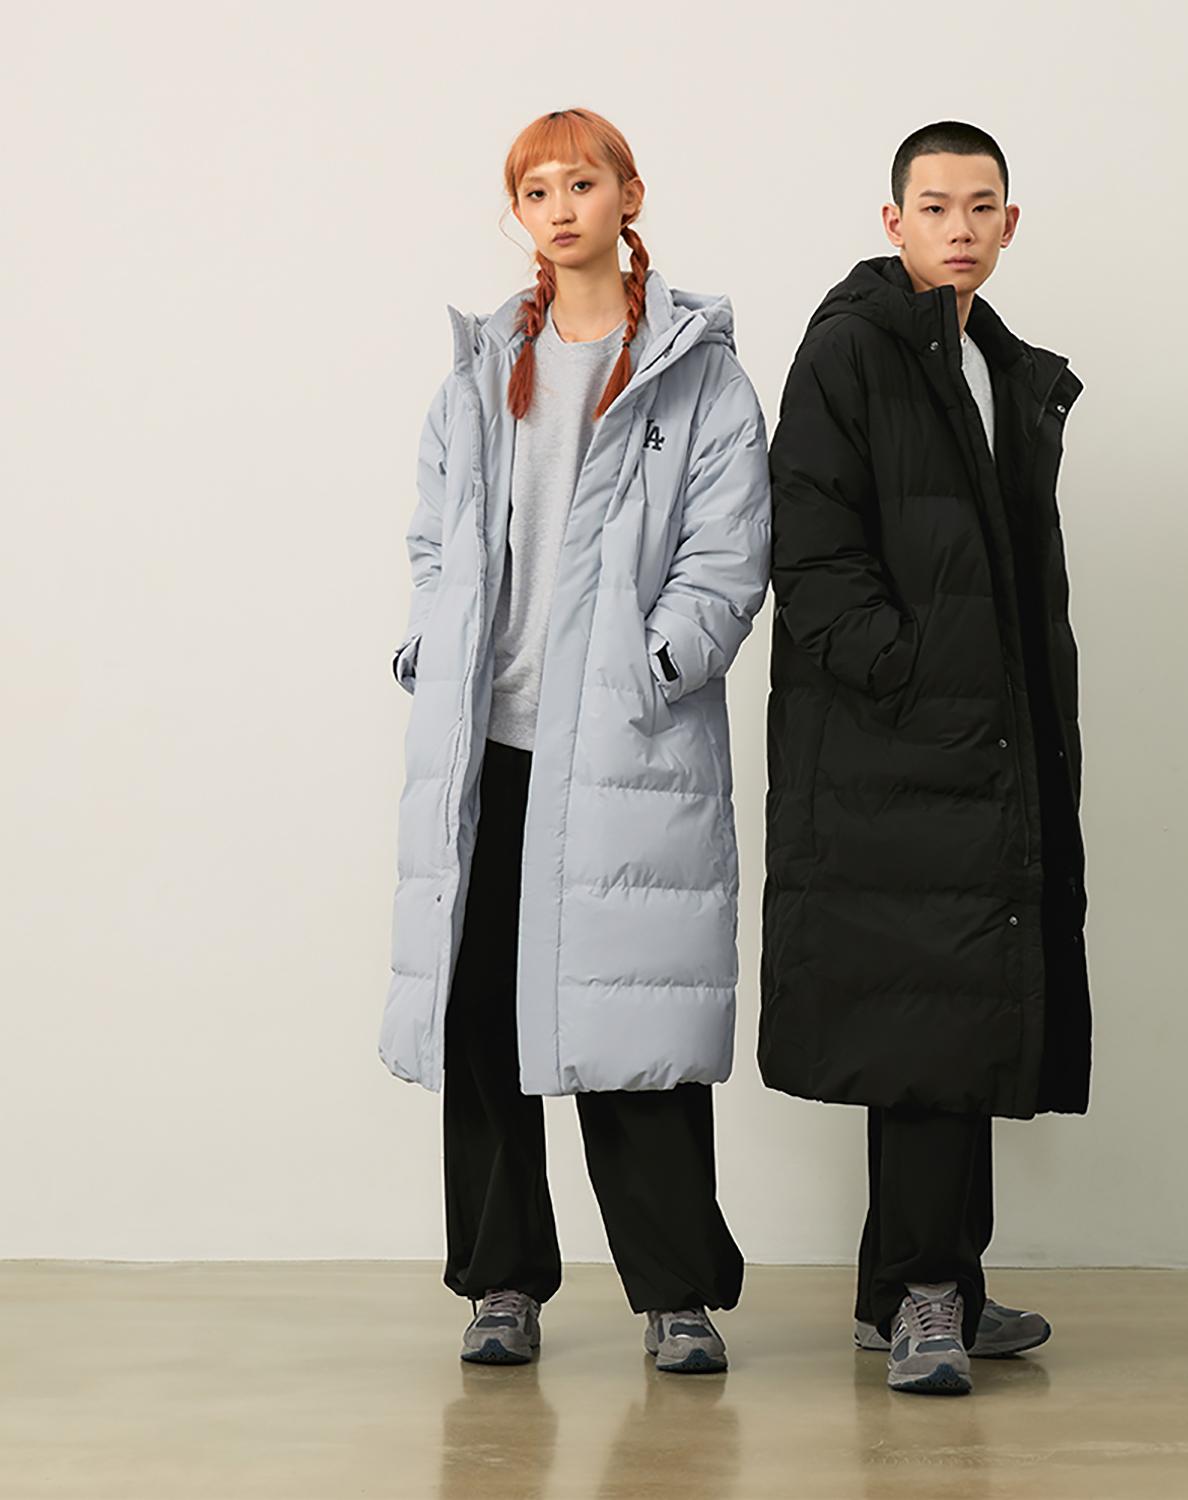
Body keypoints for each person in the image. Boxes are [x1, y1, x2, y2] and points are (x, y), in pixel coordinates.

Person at [380, 108, 772, 1375]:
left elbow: (729, 555)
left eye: (581, 182)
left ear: (628, 196)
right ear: (519, 214)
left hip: (622, 746)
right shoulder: (478, 374)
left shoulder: (697, 374)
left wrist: (654, 667)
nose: (559, 207)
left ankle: (676, 1294)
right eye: (535, 189)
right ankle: (502, 1284)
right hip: (489, 743)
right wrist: (432, 647)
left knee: (632, 1020)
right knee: (483, 1021)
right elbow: (435, 542)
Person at [758, 120, 1091, 1395]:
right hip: (897, 752)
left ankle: (916, 1287)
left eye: (982, 205)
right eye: (936, 206)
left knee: (959, 1015)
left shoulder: (995, 364)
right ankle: (925, 1302)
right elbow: (812, 554)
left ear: (1011, 222)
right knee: (928, 1028)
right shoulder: (853, 351)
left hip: (982, 752)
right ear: (893, 221)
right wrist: (910, 675)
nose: (961, 226)